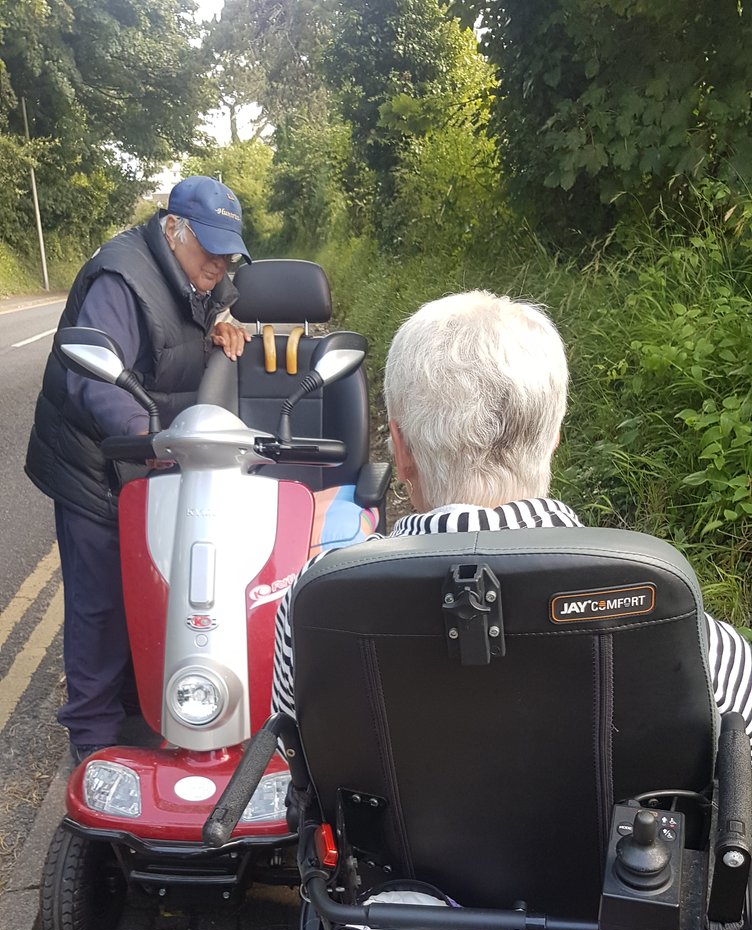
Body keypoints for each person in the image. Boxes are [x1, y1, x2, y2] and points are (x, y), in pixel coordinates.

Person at [272, 289, 752, 744]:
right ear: (554, 437)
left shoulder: (312, 600)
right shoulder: (677, 622)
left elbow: (299, 762)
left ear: (401, 450)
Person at [26, 176, 252, 764]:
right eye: (211, 249)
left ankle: (141, 717)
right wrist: (150, 440)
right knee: (100, 605)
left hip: (155, 461)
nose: (221, 262)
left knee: (150, 593)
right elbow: (95, 377)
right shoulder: (120, 279)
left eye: (230, 251)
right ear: (172, 229)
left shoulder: (194, 269)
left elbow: (210, 304)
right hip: (97, 464)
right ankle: (94, 747)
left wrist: (222, 323)